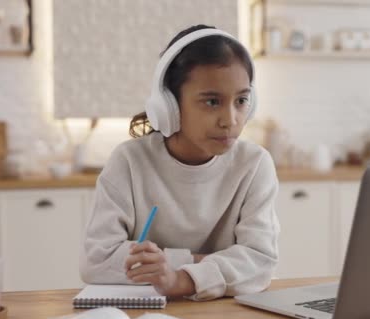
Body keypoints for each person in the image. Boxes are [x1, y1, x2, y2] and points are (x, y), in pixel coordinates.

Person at [79, 24, 280, 301]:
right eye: (212, 101)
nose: (230, 120)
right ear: (169, 104)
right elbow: (96, 262)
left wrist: (180, 278)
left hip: (225, 316)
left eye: (242, 100)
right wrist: (206, 263)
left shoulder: (255, 164)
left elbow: (260, 263)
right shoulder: (129, 162)